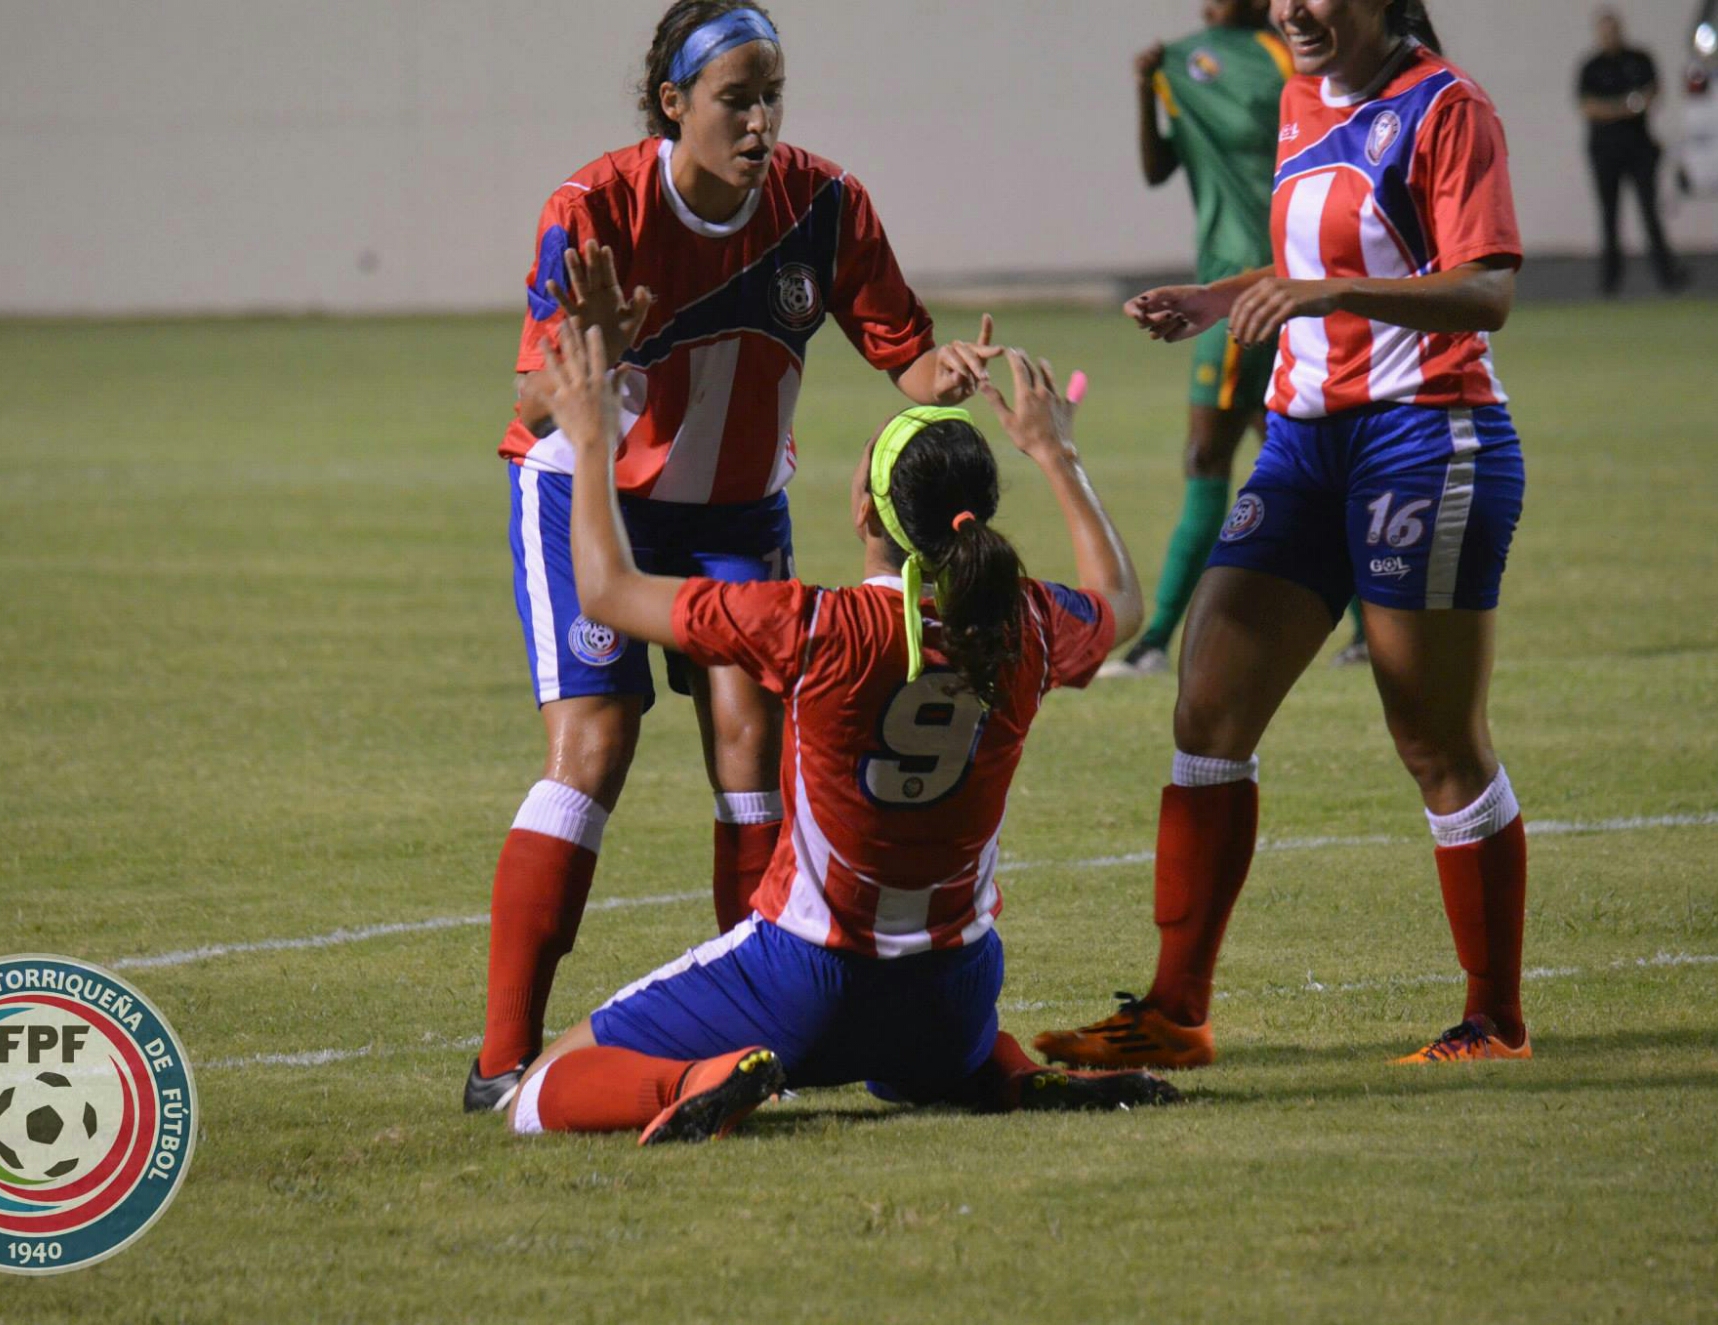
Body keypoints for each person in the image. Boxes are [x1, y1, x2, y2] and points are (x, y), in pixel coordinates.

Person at [466, 1, 1004, 1114]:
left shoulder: (824, 202)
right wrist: (603, 342)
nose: (759, 123)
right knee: (593, 743)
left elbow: (898, 347)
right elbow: (533, 394)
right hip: (592, 493)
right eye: (734, 100)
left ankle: (756, 1037)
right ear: (674, 103)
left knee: (751, 740)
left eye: (772, 97)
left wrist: (939, 374)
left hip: (734, 509)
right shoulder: (592, 209)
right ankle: (500, 1061)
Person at [501, 314, 1177, 1142]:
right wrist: (1057, 454)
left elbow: (606, 590)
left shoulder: (817, 628)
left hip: (807, 983)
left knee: (542, 1087)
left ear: (867, 510)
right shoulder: (1029, 622)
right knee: (924, 1057)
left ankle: (701, 1077)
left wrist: (593, 438)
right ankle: (1004, 1072)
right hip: (952, 996)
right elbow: (1127, 604)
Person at [1037, 0, 1535, 1070]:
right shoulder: (1301, 98)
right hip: (1304, 447)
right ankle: (1173, 1010)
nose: (1289, 9)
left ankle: (1492, 1020)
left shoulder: (1445, 107)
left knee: (1432, 739)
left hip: (1424, 438)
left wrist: (1328, 290)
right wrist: (1217, 300)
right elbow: (1295, 270)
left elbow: (1487, 289)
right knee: (1206, 700)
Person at [1101, 1, 1368, 677]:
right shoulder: (1182, 64)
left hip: (1252, 283)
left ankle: (1157, 639)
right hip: (1251, 281)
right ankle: (1367, 628)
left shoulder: (1286, 58)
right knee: (1297, 465)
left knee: (1207, 456)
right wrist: (1143, 92)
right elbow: (1160, 168)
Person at [1577, 8, 1686, 295]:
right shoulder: (1591, 67)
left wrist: (1615, 108)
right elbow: (1589, 107)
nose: (1609, 36)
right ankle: (1610, 281)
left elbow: (1652, 94)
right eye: (1604, 31)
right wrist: (1625, 108)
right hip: (1604, 152)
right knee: (1609, 215)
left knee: (1650, 212)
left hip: (1639, 149)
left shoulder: (1639, 60)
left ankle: (1666, 275)